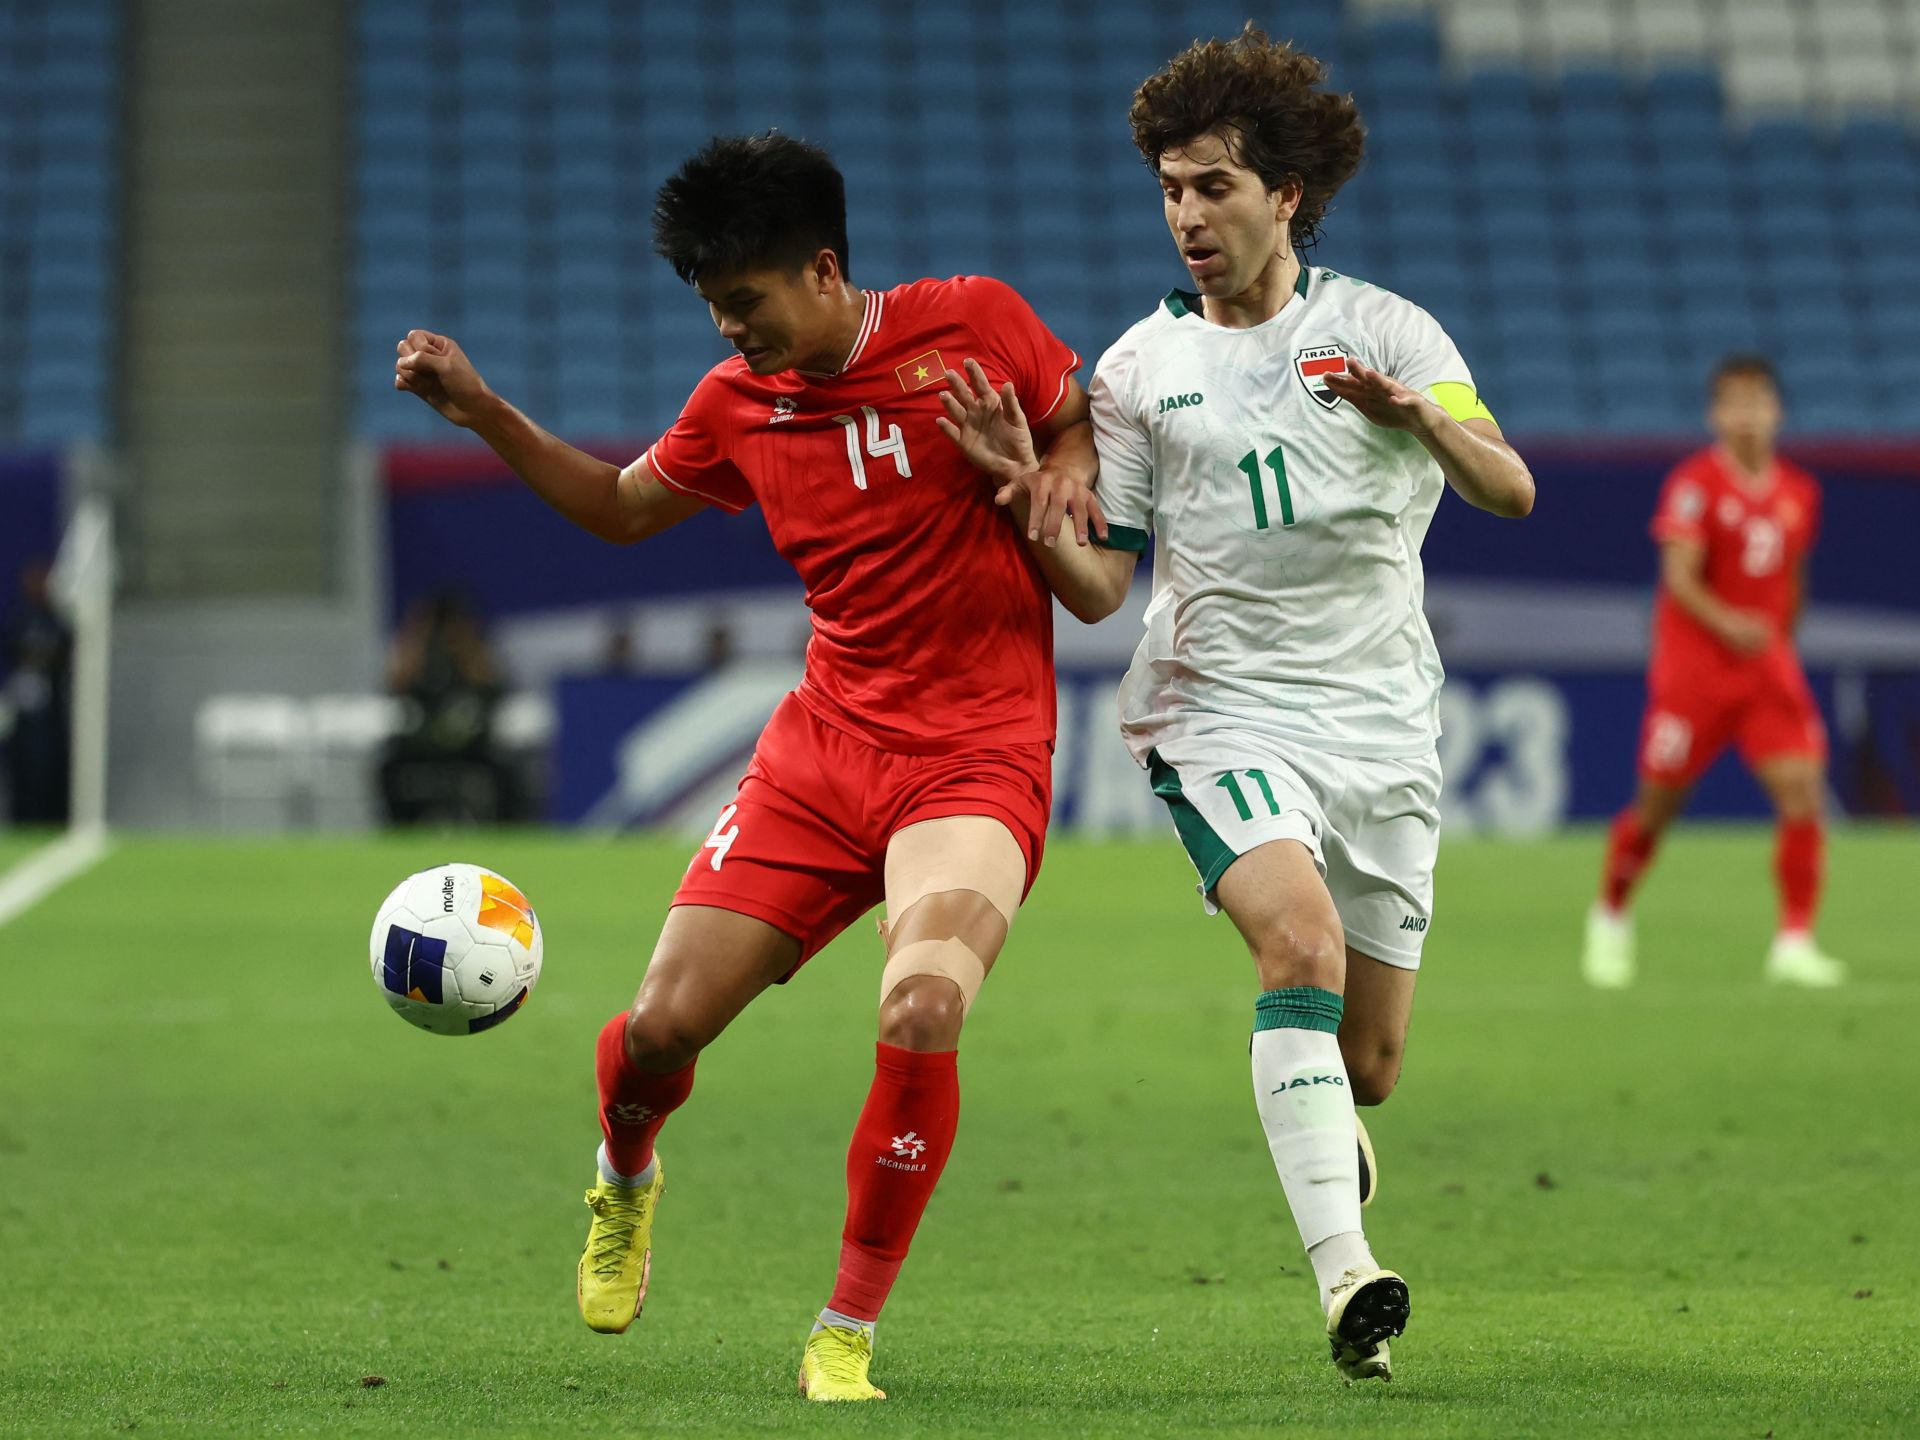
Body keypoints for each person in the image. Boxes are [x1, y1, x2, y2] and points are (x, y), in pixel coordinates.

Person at [394, 132, 1099, 1402]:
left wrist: (1052, 479)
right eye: (713, 307)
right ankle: (623, 1178)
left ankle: (845, 1330)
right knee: (659, 1031)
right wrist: (487, 413)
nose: (729, 330)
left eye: (745, 301)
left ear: (824, 269)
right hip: (821, 755)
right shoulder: (736, 404)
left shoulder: (975, 325)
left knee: (922, 1007)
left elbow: (1073, 420)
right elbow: (621, 508)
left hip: (975, 757)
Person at [936, 28, 1534, 1383]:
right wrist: (1024, 498)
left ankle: (1320, 1117)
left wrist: (1417, 418)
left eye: (1214, 186)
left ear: (1287, 195)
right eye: (1170, 190)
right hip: (1219, 712)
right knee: (1299, 948)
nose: (1188, 215)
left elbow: (1511, 489)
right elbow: (1100, 591)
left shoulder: (1388, 331)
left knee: (1368, 1065)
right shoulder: (1138, 370)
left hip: (1383, 726)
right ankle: (1348, 1279)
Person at [1584, 356, 1843, 988]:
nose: (1747, 415)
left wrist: (1781, 643)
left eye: (1758, 402)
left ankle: (1794, 942)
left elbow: (1794, 579)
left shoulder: (1799, 491)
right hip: (1695, 673)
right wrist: (1730, 625)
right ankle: (1611, 913)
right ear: (1715, 415)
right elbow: (1679, 577)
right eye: (1735, 403)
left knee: (1804, 792)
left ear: (1777, 412)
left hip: (1765, 671)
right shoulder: (1695, 484)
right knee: (1656, 809)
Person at [378, 590, 514, 824]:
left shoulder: (472, 655)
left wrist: (465, 644)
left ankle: (501, 830)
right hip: (422, 747)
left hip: (469, 748)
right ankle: (401, 830)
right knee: (388, 769)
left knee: (505, 772)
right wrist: (419, 636)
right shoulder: (421, 659)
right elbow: (396, 686)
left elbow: (493, 689)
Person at [3, 559, 72, 825]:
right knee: (23, 766)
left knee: (50, 765)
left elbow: (65, 653)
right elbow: (14, 649)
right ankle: (22, 818)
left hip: (51, 712)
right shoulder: (20, 618)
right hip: (24, 713)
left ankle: (54, 818)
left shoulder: (58, 620)